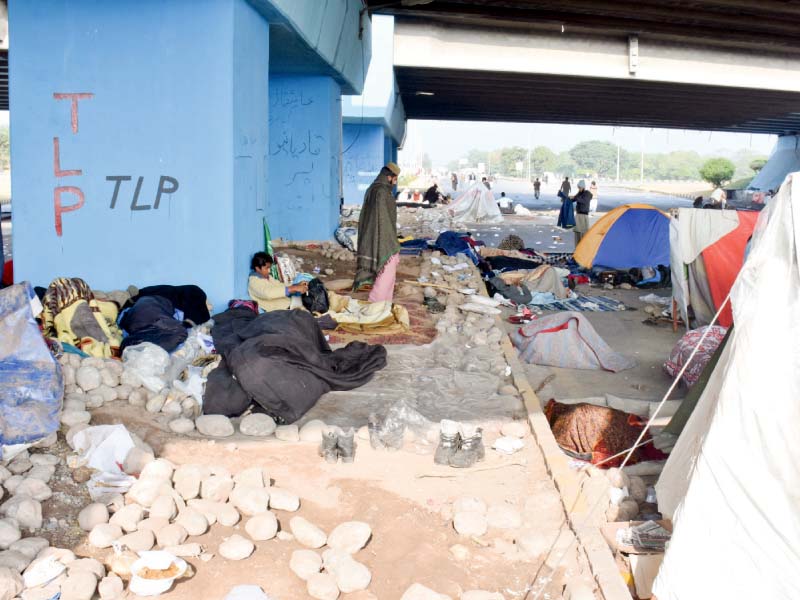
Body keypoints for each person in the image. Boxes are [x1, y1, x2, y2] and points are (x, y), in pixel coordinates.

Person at [353, 162, 401, 302]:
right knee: (385, 275)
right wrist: (391, 242)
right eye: (395, 179)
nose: (395, 182)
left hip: (372, 235)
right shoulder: (382, 192)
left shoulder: (372, 189)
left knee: (385, 276)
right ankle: (375, 305)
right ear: (389, 177)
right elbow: (383, 219)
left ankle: (383, 306)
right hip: (382, 238)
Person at [570, 180, 593, 244]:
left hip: (584, 215)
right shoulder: (579, 193)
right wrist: (568, 199)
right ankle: (577, 247)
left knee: (583, 233)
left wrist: (575, 197)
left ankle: (583, 247)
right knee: (577, 232)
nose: (579, 189)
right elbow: (574, 199)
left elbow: (584, 201)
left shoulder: (587, 193)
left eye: (579, 187)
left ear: (583, 187)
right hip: (578, 215)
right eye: (578, 187)